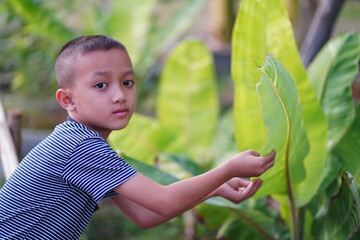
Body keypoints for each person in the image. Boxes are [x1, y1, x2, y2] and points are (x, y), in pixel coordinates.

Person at [0, 35, 275, 239]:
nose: (119, 95)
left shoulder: (86, 143)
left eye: (127, 82)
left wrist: (214, 188)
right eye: (101, 85)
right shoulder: (79, 147)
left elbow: (145, 215)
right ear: (67, 100)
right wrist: (228, 169)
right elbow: (164, 201)